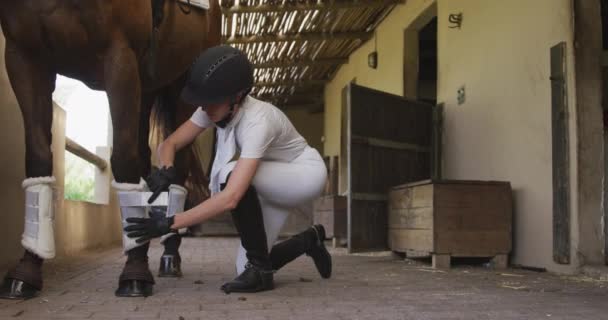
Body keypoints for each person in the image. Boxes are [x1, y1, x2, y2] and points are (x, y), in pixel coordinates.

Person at [124, 45, 331, 293]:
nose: (205, 108)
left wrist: (170, 223)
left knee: (231, 173)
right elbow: (171, 143)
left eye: (211, 102)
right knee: (245, 267)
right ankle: (310, 239)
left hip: (305, 175)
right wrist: (167, 169)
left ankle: (262, 272)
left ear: (238, 97)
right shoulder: (214, 109)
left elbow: (231, 198)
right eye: (203, 102)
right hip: (272, 178)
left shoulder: (258, 122)